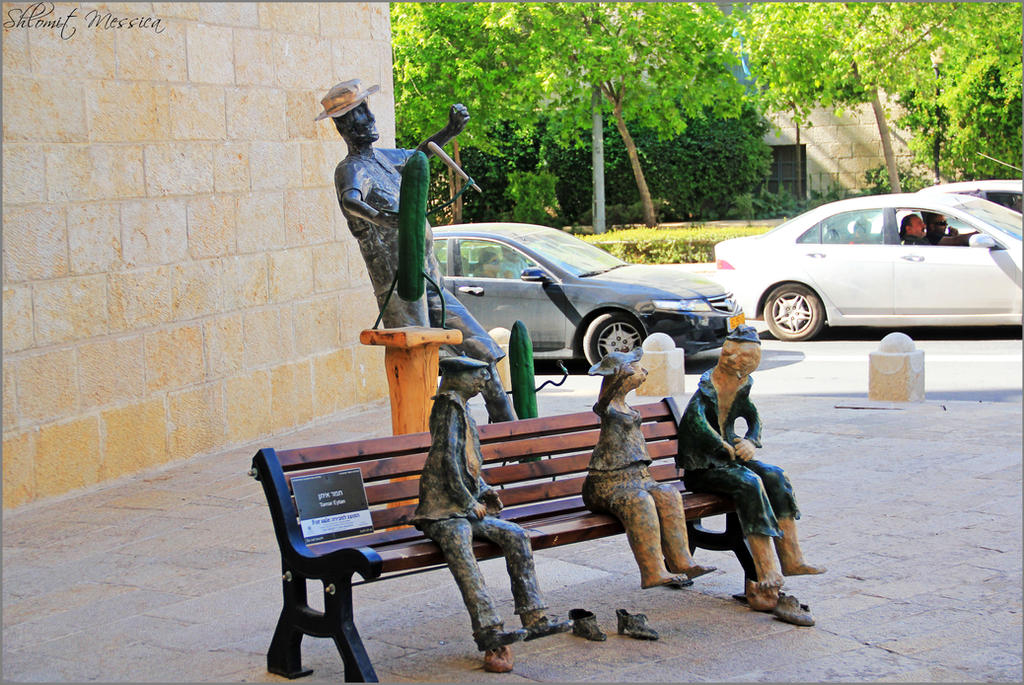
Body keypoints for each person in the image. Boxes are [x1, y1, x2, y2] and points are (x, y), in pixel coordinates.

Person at [319, 79, 515, 423]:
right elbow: (351, 200)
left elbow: (420, 156)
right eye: (360, 114)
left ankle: (512, 430)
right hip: (402, 292)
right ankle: (441, 439)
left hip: (430, 281)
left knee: (481, 351)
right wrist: (382, 218)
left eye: (367, 110)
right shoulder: (351, 168)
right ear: (344, 126)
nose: (370, 118)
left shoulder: (383, 158)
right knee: (425, 369)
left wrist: (449, 131)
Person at [412, 357, 570, 673]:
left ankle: (534, 615)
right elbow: (446, 462)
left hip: (465, 506)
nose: (483, 381)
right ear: (457, 377)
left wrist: (483, 489)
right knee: (461, 552)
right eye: (477, 375)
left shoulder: (462, 408)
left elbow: (468, 459)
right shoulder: (447, 407)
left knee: (516, 535)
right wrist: (468, 504)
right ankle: (491, 635)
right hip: (442, 512)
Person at [676, 325, 825, 618]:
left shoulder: (742, 385)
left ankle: (792, 558)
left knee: (775, 475)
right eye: (732, 356)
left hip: (729, 461)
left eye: (745, 360)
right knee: (749, 483)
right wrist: (722, 445)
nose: (735, 362)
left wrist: (750, 441)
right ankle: (767, 572)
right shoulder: (706, 388)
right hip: (702, 469)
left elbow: (752, 417)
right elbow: (694, 427)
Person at [583, 348, 716, 590]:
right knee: (640, 502)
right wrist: (616, 379)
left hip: (637, 477)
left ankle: (682, 561)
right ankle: (652, 571)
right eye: (635, 369)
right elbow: (601, 404)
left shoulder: (626, 406)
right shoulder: (609, 408)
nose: (643, 371)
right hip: (606, 484)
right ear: (621, 375)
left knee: (668, 493)